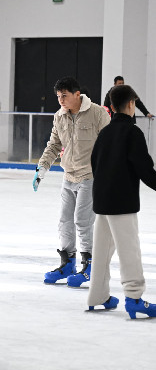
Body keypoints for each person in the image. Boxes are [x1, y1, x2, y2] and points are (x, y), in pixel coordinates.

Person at [33, 76, 110, 287]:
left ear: (77, 94)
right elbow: (53, 145)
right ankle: (68, 263)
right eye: (58, 96)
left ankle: (90, 266)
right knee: (65, 221)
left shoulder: (97, 113)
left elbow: (111, 143)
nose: (61, 100)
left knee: (82, 221)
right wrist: (41, 168)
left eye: (64, 96)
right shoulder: (60, 116)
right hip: (69, 176)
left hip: (90, 176)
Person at [88, 85, 156, 318]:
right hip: (122, 203)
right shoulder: (132, 132)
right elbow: (145, 169)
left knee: (102, 251)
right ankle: (135, 297)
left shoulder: (105, 132)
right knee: (130, 251)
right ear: (130, 104)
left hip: (103, 202)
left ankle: (97, 296)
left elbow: (94, 162)